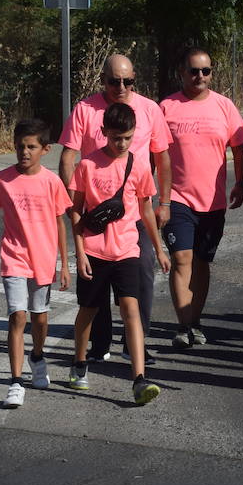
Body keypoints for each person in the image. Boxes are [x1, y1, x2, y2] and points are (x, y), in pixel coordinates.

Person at [58, 54, 171, 365]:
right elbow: (68, 157)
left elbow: (161, 159)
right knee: (98, 280)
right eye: (113, 81)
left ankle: (134, 343)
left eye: (127, 80)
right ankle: (100, 342)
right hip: (96, 212)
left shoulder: (149, 109)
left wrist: (165, 202)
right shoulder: (85, 109)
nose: (121, 86)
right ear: (103, 80)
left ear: (135, 78)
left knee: (142, 272)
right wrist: (73, 202)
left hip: (135, 209)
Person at [67, 102, 170, 405]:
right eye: (115, 138)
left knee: (131, 311)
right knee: (88, 311)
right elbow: (75, 212)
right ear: (103, 133)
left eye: (126, 138)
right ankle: (79, 362)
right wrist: (80, 253)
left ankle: (138, 379)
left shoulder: (138, 165)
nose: (121, 144)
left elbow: (146, 210)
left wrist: (159, 249)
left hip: (127, 250)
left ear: (133, 134)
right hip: (95, 252)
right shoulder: (87, 165)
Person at [160, 49, 243, 347]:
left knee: (201, 262)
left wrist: (240, 182)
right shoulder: (167, 107)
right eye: (194, 71)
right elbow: (154, 152)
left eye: (206, 71)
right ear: (182, 73)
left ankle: (194, 322)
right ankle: (183, 324)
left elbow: (239, 148)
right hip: (176, 197)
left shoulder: (224, 107)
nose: (200, 76)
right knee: (181, 259)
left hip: (213, 201)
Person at [0, 119, 73, 408]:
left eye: (31, 147)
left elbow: (60, 223)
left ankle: (37, 356)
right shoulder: (2, 179)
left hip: (43, 259)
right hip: (14, 257)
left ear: (45, 149)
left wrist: (65, 264)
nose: (24, 151)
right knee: (17, 317)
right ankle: (16, 382)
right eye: (20, 146)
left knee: (40, 319)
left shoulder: (51, 181)